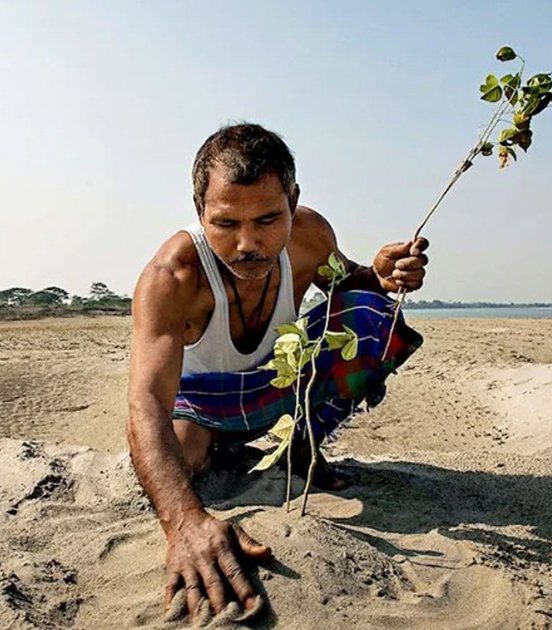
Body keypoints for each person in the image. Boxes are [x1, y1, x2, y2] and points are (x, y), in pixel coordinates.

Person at [126, 123, 429, 620]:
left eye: (268, 219)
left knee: (372, 312)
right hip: (199, 402)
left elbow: (347, 280)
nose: (249, 243)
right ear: (200, 209)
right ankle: (220, 447)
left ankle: (300, 447)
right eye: (225, 224)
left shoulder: (311, 234)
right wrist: (184, 522)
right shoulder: (171, 277)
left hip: (280, 387)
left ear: (293, 199)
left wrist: (379, 274)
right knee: (182, 461)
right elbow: (145, 404)